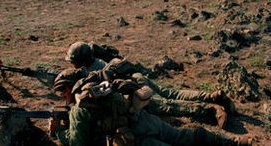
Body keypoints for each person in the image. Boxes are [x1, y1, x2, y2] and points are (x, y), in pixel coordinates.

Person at [49, 68, 252, 146]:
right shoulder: (103, 86)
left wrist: (59, 131)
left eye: (63, 91)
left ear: (70, 88)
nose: (64, 97)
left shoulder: (81, 108)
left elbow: (77, 142)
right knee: (183, 135)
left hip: (132, 138)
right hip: (145, 119)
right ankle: (235, 143)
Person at [64, 42, 235, 129]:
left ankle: (210, 110)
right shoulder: (100, 61)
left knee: (168, 106)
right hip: (137, 77)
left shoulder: (89, 73)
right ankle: (213, 96)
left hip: (135, 89)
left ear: (78, 61)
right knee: (171, 93)